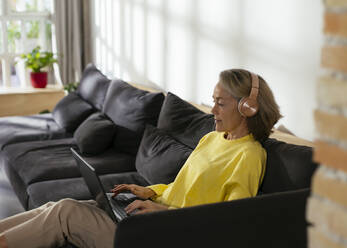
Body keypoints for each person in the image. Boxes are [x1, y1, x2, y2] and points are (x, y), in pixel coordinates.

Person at [0, 69, 281, 248]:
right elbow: (181, 189)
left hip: (171, 236)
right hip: (155, 221)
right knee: (60, 204)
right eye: (213, 101)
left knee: (66, 215)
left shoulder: (249, 155)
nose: (213, 110)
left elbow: (230, 223)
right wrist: (149, 191)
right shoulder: (212, 138)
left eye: (221, 103)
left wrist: (167, 215)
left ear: (249, 108)